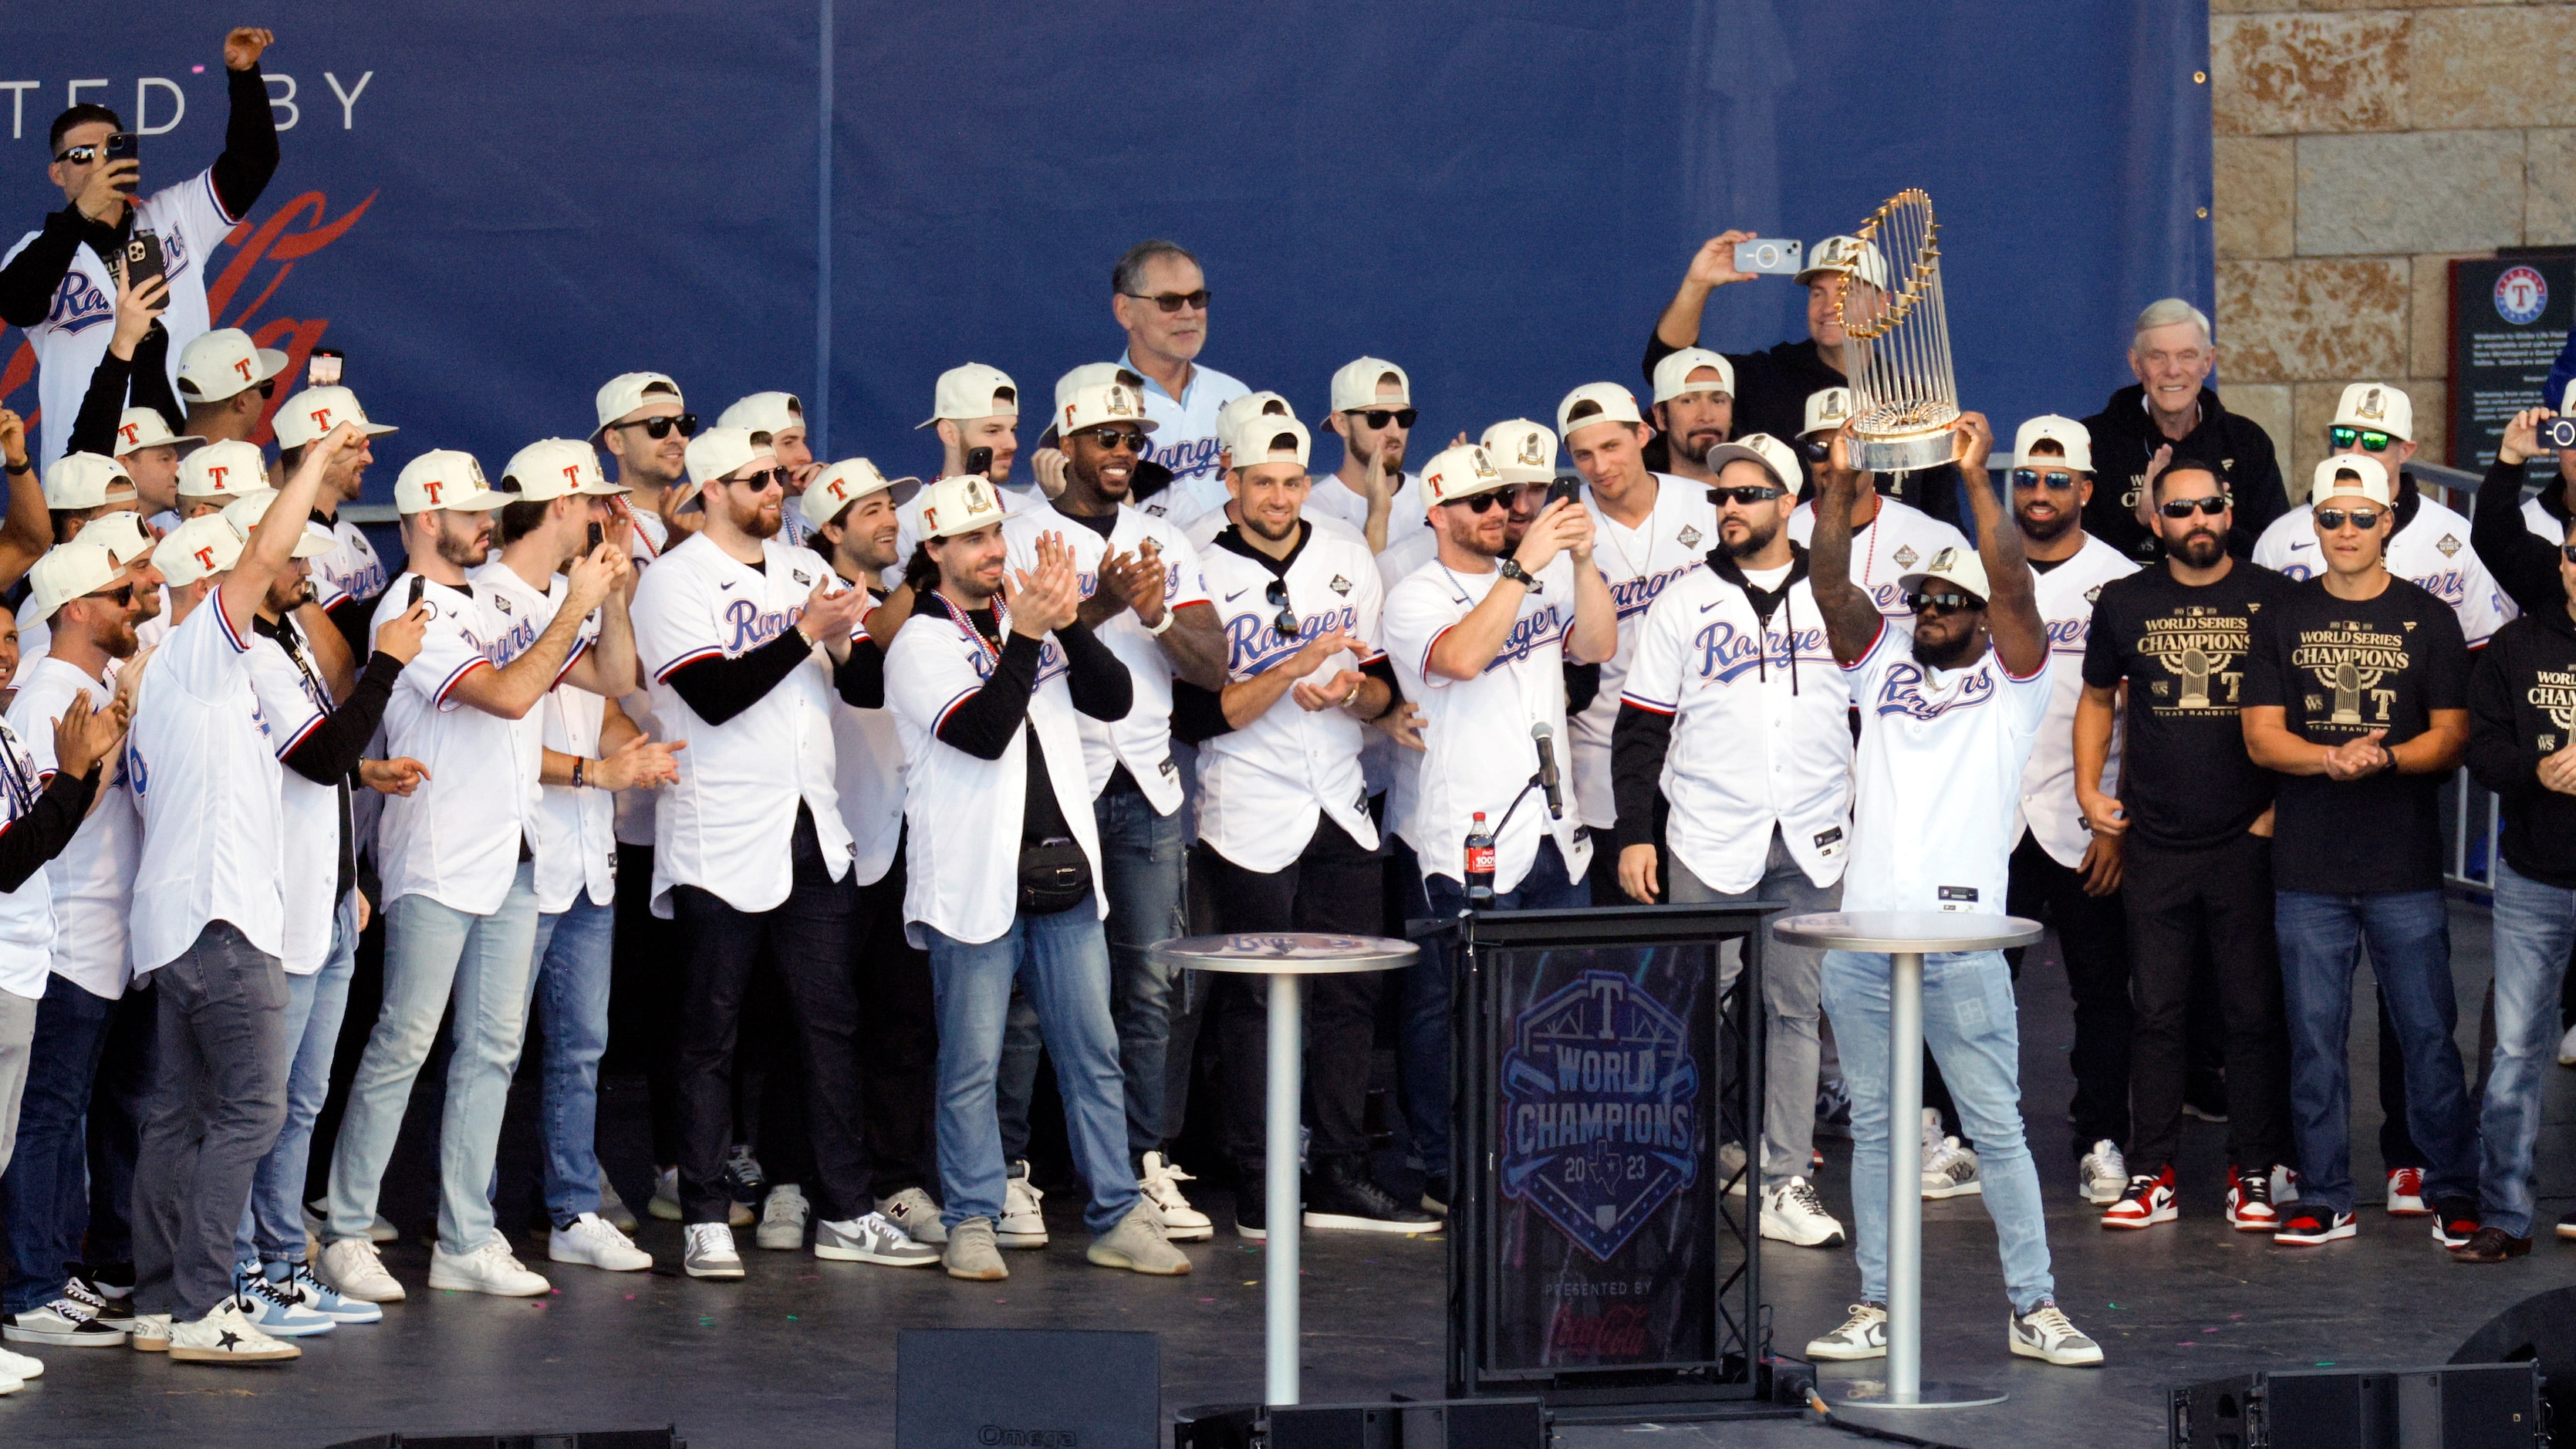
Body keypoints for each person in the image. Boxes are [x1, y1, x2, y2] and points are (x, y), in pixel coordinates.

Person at [1801, 414, 2104, 1370]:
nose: (1926, 612)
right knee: (1885, 1138)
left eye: (1944, 602)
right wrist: (1842, 486)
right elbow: (1829, 584)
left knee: (1998, 1129)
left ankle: (2035, 1305)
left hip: (1965, 941)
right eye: (1921, 600)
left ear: (1979, 615)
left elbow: (2012, 579)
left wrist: (1979, 480)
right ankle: (1876, 1305)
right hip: (1863, 939)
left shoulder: (2017, 684)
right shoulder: (1884, 664)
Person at [319, 449, 624, 1304]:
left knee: (493, 1049)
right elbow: (510, 695)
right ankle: (345, 1230)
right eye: (469, 512)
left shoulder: (480, 601)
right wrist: (576, 605)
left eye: (489, 508)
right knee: (403, 1044)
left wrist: (595, 599)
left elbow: (598, 675)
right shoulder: (413, 607)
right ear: (423, 519)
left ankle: (464, 1236)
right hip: (439, 853)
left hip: (510, 851)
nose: (486, 522)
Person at [631, 426, 936, 1279]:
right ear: (712, 490)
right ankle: (703, 1216)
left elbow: (867, 687)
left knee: (829, 1025)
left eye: (775, 477)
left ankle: (844, 1208)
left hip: (814, 827)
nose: (775, 489)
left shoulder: (807, 568)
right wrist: (806, 633)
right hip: (720, 831)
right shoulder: (672, 580)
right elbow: (714, 695)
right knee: (710, 1033)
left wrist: (847, 636)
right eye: (756, 479)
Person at [881, 473, 1190, 1282]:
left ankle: (1117, 1214)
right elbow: (983, 734)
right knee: (973, 1063)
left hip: (1064, 875)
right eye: (973, 539)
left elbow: (1115, 699)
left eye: (996, 534)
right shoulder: (919, 642)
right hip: (975, 881)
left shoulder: (1031, 625)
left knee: (1094, 1051)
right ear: (934, 551)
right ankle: (973, 1219)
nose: (993, 551)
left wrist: (1067, 628)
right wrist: (1025, 636)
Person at [123, 427, 356, 1365]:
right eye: (243, 575)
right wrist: (307, 466)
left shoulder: (181, 673)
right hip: (222, 922)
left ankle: (156, 1305)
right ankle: (204, 1307)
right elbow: (262, 556)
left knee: (180, 1117)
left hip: (180, 922)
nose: (267, 577)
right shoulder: (198, 654)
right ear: (210, 582)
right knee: (253, 1112)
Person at [2252, 380, 2507, 1218]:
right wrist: (2332, 760)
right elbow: (2260, 736)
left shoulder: (2430, 618)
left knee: (2428, 1037)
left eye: (2363, 518)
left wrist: (2383, 756)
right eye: (2334, 518)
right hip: (2309, 866)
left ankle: (2451, 1192)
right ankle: (2325, 1195)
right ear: (2314, 523)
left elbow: (2453, 734)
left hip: (2402, 864)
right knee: (2314, 1044)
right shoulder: (2280, 618)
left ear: (2389, 521)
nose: (2349, 532)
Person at [1173, 418, 1430, 1238]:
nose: (1280, 498)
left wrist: (1353, 695)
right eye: (1262, 482)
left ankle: (1340, 1171)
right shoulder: (1196, 558)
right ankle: (1261, 1178)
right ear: (1230, 478)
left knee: (1350, 993)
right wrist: (1290, 676)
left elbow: (1383, 693)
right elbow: (1197, 717)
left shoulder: (1347, 553)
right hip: (1246, 800)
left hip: (1338, 799)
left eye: (1291, 481)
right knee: (1251, 1001)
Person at [995, 381, 1227, 1245]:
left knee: (1151, 986)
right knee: (1027, 991)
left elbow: (1211, 664)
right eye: (1103, 436)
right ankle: (1010, 1171)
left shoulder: (1162, 538)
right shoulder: (1019, 535)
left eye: (1131, 435)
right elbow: (1015, 643)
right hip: (1053, 784)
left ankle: (1141, 1162)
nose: (1122, 449)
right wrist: (1108, 602)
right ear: (1067, 442)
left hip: (1148, 786)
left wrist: (1159, 608)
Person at [1612, 431, 1850, 1249]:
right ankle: (1679, 1167)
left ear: (1790, 502)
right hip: (1708, 832)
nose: (1730, 508)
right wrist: (1635, 837)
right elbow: (1640, 729)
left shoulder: (1836, 590)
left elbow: (1871, 717)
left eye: (1747, 494)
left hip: (1813, 833)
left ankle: (1786, 1180)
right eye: (1719, 497)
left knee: (1794, 1011)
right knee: (1690, 1008)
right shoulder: (1683, 599)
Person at [1379, 443, 1615, 1200]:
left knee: (1555, 1013)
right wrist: (1522, 569)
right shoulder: (1415, 592)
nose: (1497, 514)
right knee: (1458, 1016)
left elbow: (1599, 647)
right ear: (1438, 515)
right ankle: (1447, 1167)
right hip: (1467, 834)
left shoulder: (1538, 578)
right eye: (1479, 504)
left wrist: (1579, 563)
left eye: (1503, 500)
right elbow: (1459, 660)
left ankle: (1537, 1159)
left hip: (1554, 831)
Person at [2076, 458, 2297, 1235]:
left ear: (2229, 509)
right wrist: (2088, 794)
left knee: (2250, 1014)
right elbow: (2096, 699)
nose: (2197, 520)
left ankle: (2255, 1172)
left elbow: (2306, 714)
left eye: (2209, 507)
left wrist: (2280, 806)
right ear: (2153, 519)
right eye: (2180, 510)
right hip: (2157, 840)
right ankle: (2152, 1170)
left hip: (2246, 837)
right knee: (2158, 1014)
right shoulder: (2126, 601)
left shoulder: (2275, 596)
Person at [478, 439, 680, 1273]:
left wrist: (618, 596)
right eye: (593, 501)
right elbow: (488, 734)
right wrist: (599, 771)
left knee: (581, 1046)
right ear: (561, 505)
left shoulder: (579, 590)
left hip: (588, 854)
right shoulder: (482, 598)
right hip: (513, 855)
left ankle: (570, 1208)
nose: (604, 514)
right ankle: (472, 1216)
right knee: (491, 1048)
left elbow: (618, 681)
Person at [218, 489, 415, 1338]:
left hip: (328, 895)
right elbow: (323, 752)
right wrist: (388, 665)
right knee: (259, 1103)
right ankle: (238, 1269)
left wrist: (348, 870)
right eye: (296, 558)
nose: (309, 570)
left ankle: (283, 1264)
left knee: (302, 1100)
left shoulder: (290, 637)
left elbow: (330, 772)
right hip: (281, 907)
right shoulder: (250, 657)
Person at [0, 27, 279, 469]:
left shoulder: (174, 215)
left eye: (111, 148)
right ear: (57, 174)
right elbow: (16, 303)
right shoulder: (36, 251)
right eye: (81, 155)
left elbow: (254, 161)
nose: (98, 162)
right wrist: (82, 215)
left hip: (187, 468)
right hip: (88, 477)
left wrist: (244, 76)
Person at [0, 540, 150, 1350]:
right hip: (55, 938)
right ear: (75, 608)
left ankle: (51, 1276)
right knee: (45, 1121)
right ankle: (34, 1285)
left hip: (95, 937)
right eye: (117, 594)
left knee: (62, 1119)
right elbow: (40, 833)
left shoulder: (89, 687)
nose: (132, 605)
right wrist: (103, 750)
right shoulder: (48, 696)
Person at [799, 459, 950, 1249]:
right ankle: (799, 1181)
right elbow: (868, 683)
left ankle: (895, 1179)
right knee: (811, 1021)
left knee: (903, 1020)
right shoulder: (806, 599)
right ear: (831, 529)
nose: (890, 522)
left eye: (892, 509)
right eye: (869, 513)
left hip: (905, 833)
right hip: (825, 834)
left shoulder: (915, 607)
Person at [1991, 417, 2140, 1205]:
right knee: (1976, 987)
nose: (2040, 493)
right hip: (1991, 818)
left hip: (2085, 818)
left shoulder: (2120, 580)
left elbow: (2136, 713)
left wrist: (2116, 821)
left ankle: (2100, 1138)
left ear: (2085, 489)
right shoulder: (1978, 567)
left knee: (2103, 990)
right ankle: (1953, 1131)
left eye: (2057, 480)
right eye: (2027, 478)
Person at [2454, 404, 2576, 1262]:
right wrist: (2535, 772)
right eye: (2575, 552)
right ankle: (2505, 1213)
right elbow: (2484, 747)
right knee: (2515, 1057)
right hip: (2536, 876)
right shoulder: (2519, 641)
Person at [1558, 382, 1719, 903]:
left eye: (1611, 447)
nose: (1599, 465)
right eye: (1583, 454)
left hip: (1707, 744)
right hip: (1606, 748)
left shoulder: (1707, 504)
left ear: (1643, 435)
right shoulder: (1562, 530)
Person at [2078, 299, 2287, 563]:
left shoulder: (2247, 442)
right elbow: (2073, 558)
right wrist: (2139, 520)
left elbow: (2275, 550)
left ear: (2207, 362)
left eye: (2187, 356)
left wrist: (2211, 519)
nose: (2173, 371)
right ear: (2136, 364)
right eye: (2158, 356)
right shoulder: (2092, 442)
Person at [1642, 232, 1884, 458]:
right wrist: (1698, 284)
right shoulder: (1765, 378)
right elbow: (1669, 367)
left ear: (1883, 305)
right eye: (1818, 293)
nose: (1829, 307)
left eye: (1846, 293)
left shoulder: (1902, 398)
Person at [1111, 240, 1247, 527]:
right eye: (1169, 301)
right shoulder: (1091, 403)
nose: (1188, 313)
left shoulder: (1236, 396)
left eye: (1197, 299)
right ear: (1125, 311)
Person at [272, 384, 397, 660]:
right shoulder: (286, 543)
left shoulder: (349, 532)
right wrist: (423, 564)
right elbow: (359, 639)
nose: (369, 458)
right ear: (317, 451)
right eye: (356, 446)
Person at [1311, 357, 1423, 553]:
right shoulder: (1313, 512)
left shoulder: (1431, 499)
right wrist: (1377, 516)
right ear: (1342, 424)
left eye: (1405, 417)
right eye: (1377, 418)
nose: (1395, 432)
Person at [174, 329, 288, 450]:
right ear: (242, 402)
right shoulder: (240, 466)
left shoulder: (162, 464)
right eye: (265, 388)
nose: (262, 400)